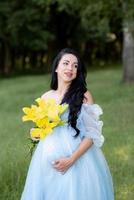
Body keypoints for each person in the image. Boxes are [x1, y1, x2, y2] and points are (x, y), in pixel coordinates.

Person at [21, 48, 114, 200]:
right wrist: (36, 133)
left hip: (77, 159)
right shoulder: (45, 97)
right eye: (66, 63)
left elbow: (92, 134)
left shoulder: (83, 95)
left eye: (75, 66)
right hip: (46, 160)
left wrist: (71, 160)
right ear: (56, 67)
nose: (70, 68)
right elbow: (41, 127)